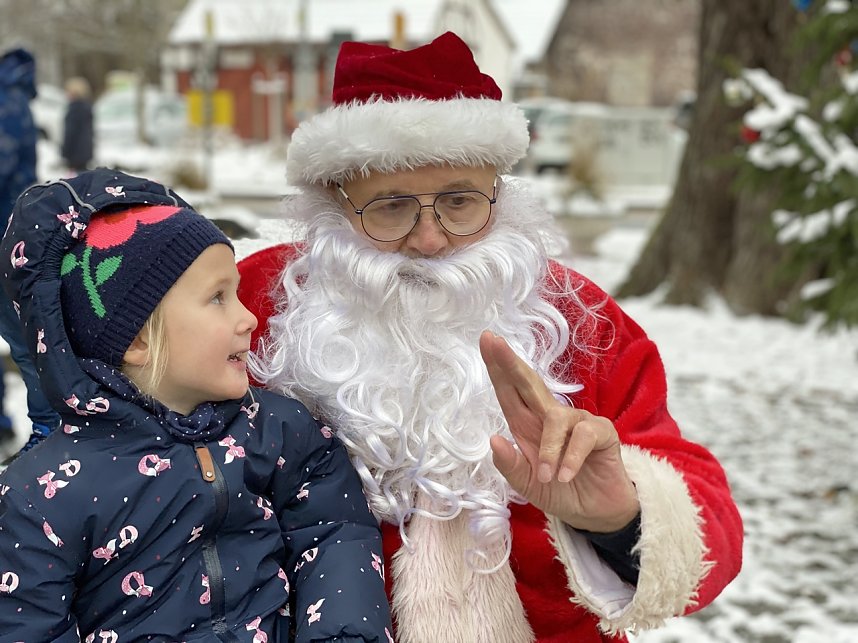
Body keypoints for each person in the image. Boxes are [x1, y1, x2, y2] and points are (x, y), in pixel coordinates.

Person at [237, 32, 744, 642]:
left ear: (499, 196)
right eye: (391, 207)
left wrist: (620, 516)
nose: (431, 240)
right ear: (334, 206)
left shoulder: (575, 317)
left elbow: (707, 515)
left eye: (460, 201)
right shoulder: (253, 302)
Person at [0, 168, 393, 642]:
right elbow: (27, 626)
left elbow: (334, 532)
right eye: (218, 298)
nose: (248, 317)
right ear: (138, 339)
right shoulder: (42, 496)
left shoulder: (281, 433)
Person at [0, 47, 60, 462]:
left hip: (5, 234)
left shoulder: (6, 102)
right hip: (13, 229)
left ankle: (47, 431)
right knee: (24, 337)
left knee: (24, 338)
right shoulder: (15, 99)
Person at [61, 75, 94, 173]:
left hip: (75, 153)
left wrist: (65, 152)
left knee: (75, 182)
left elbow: (70, 132)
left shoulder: (75, 109)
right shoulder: (86, 107)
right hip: (85, 151)